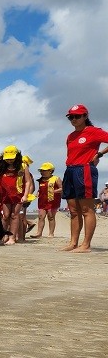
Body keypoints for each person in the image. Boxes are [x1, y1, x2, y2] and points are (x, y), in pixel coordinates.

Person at [62, 104, 108, 252]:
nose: (73, 119)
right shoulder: (70, 136)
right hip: (70, 170)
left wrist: (99, 154)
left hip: (85, 170)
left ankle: (86, 244)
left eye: (77, 116)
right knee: (74, 210)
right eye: (71, 117)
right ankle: (73, 243)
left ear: (85, 116)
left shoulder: (93, 132)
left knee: (87, 209)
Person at [33, 162, 62, 238]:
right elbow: (40, 189)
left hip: (52, 201)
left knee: (51, 217)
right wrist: (37, 193)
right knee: (41, 216)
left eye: (44, 170)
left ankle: (51, 233)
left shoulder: (56, 178)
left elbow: (62, 188)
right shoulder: (41, 180)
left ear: (50, 171)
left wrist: (54, 191)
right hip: (42, 201)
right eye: (41, 171)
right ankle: (39, 233)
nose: (42, 172)